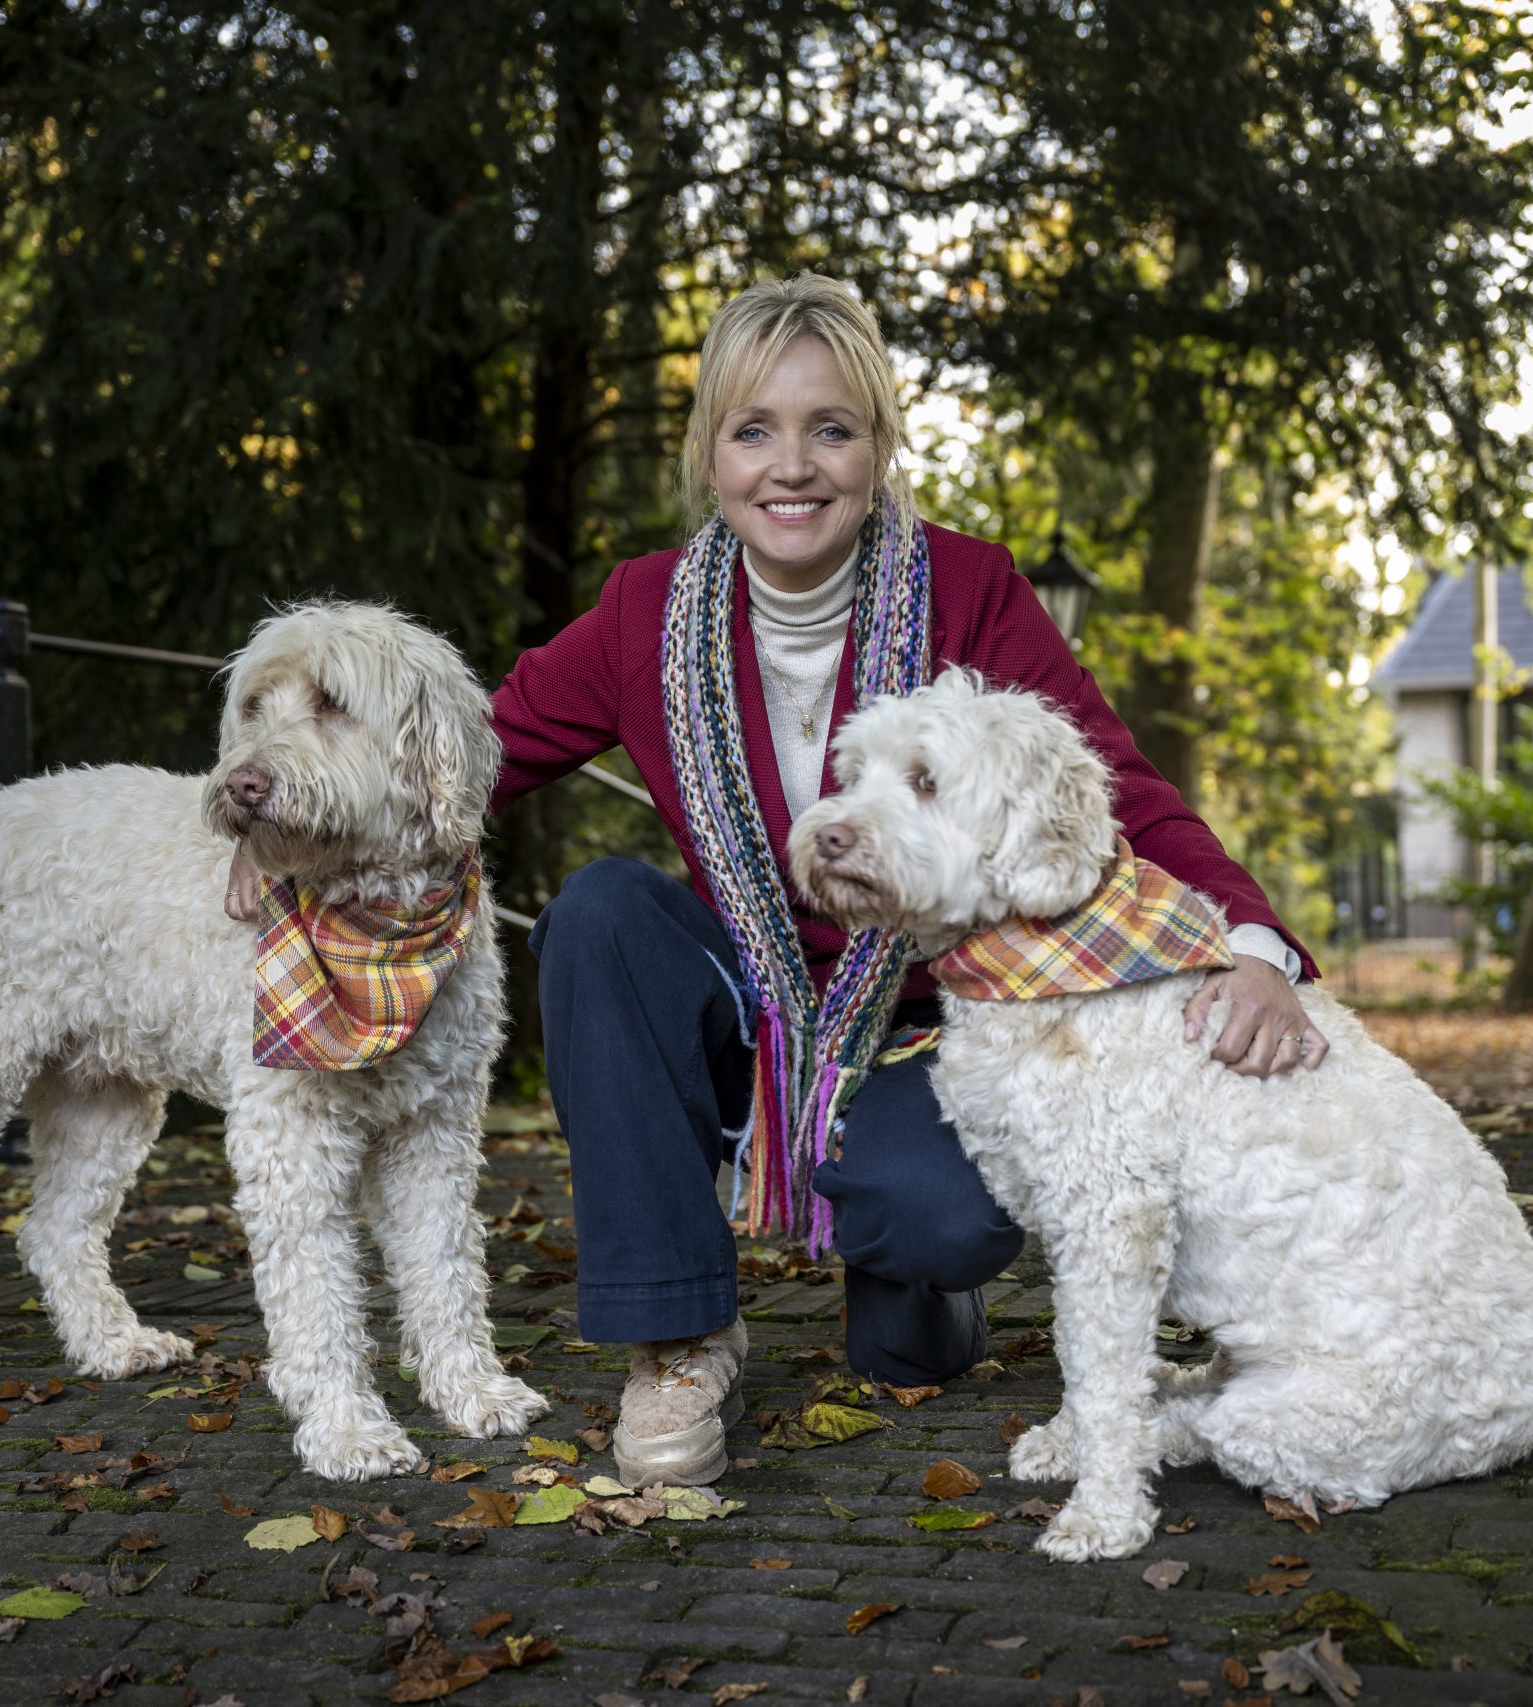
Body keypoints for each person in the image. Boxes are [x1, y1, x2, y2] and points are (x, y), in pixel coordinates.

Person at [230, 274, 1327, 1487]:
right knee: (597, 911)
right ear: (712, 455)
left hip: (917, 1026)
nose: (791, 467)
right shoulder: (644, 610)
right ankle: (677, 1334)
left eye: (831, 430)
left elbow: (1115, 786)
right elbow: (461, 763)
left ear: (877, 449)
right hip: (735, 995)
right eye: (754, 430)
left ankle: (903, 1277)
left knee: (935, 1253)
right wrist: (282, 823)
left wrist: (1255, 946)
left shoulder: (971, 589)